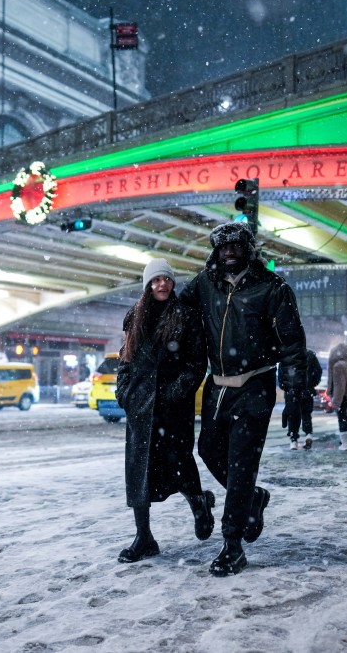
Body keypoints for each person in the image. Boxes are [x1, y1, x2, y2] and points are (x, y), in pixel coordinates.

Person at [180, 222, 307, 576]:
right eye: (223, 247)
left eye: (236, 246)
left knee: (240, 464)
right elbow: (175, 310)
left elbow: (293, 343)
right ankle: (253, 498)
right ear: (216, 252)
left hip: (255, 386)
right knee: (208, 450)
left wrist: (294, 390)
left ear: (249, 249)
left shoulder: (273, 288)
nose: (229, 252)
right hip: (217, 386)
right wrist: (141, 317)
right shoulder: (204, 284)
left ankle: (232, 545)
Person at [114, 259, 213, 563]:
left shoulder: (186, 316)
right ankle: (144, 537)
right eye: (156, 280)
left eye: (166, 279)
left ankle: (199, 502)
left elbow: (196, 364)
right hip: (140, 407)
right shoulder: (134, 316)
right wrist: (124, 392)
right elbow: (125, 359)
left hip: (173, 408)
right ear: (147, 284)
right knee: (138, 471)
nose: (162, 284)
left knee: (179, 463)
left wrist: (173, 394)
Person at [281, 348, 321, 450]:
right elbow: (318, 371)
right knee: (306, 414)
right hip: (306, 391)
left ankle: (293, 440)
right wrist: (312, 384)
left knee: (292, 416)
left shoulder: (287, 355)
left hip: (291, 392)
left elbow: (281, 374)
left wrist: (285, 387)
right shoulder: (310, 355)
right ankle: (308, 434)